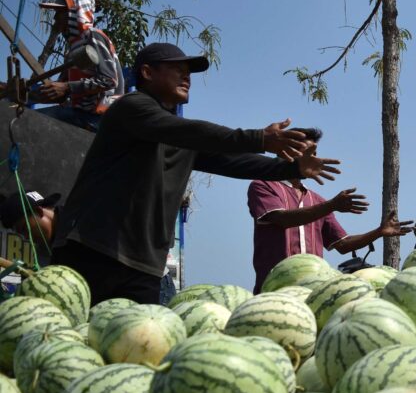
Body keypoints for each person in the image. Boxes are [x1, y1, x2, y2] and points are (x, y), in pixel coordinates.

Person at [49, 42, 340, 305]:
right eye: (177, 69)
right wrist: (259, 138)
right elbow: (189, 130)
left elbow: (235, 162)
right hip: (93, 251)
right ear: (147, 73)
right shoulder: (132, 108)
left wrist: (292, 168)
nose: (186, 77)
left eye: (188, 72)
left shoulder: (180, 138)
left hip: (143, 266)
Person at [248, 127, 413, 292]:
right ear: (287, 153)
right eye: (308, 153)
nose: (314, 158)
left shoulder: (317, 200)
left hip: (312, 292)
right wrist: (332, 205)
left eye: (315, 153)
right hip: (274, 290)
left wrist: (379, 232)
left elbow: (343, 244)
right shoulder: (263, 185)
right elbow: (282, 219)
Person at [32, 0, 125, 131]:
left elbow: (109, 80)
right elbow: (59, 94)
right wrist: (24, 93)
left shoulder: (93, 36)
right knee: (26, 116)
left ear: (75, 13)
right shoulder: (73, 49)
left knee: (31, 121)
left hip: (100, 117)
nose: (55, 18)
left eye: (60, 12)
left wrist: (67, 87)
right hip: (79, 114)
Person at [0, 190, 60, 263]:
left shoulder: (73, 233)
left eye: (25, 228)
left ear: (39, 211)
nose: (27, 237)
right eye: (22, 233)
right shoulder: (52, 249)